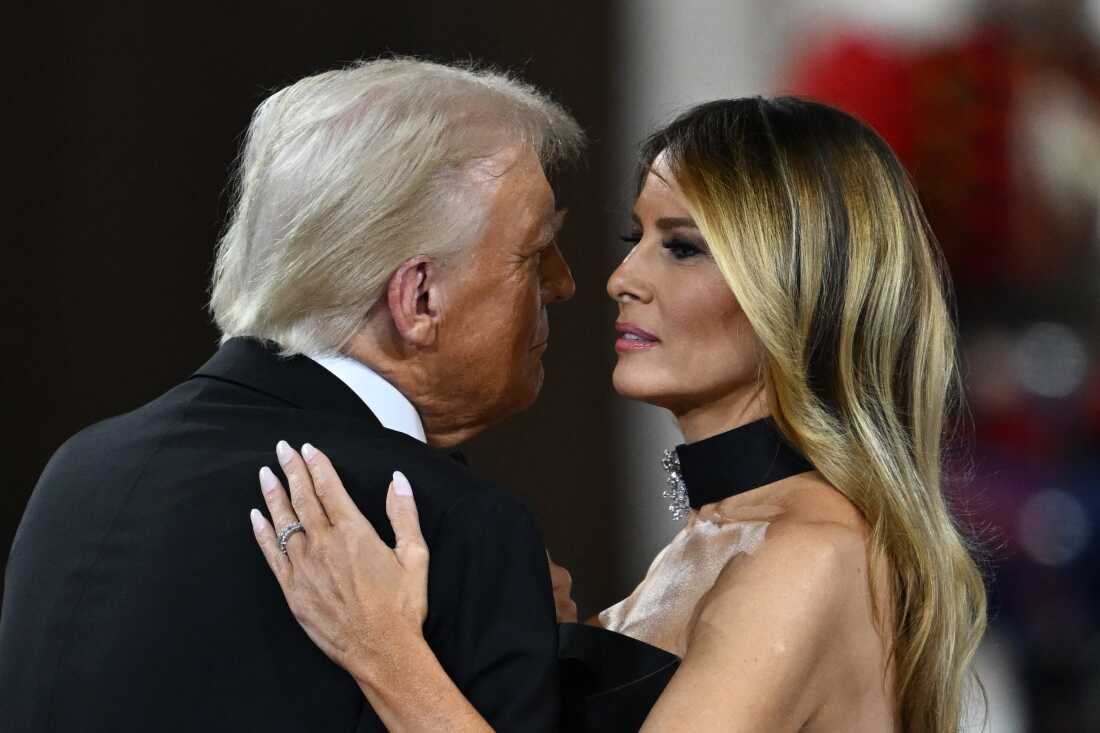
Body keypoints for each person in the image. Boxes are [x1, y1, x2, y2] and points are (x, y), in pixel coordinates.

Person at [249, 97, 989, 732]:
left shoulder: (812, 554)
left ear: (798, 289)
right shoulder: (718, 536)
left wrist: (384, 651)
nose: (619, 278)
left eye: (682, 247)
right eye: (636, 239)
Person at [0, 58, 585, 732]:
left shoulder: (78, 473)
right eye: (532, 250)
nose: (561, 282)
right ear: (418, 297)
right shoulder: (453, 528)